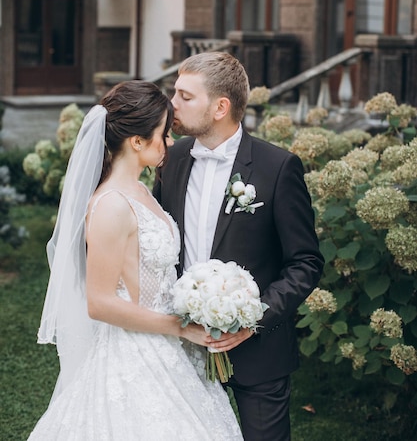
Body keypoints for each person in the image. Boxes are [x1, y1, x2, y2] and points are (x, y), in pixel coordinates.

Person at [28, 80, 243, 441]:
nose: (170, 142)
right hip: (134, 351)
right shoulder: (112, 205)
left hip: (170, 348)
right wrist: (178, 326)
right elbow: (99, 303)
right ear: (138, 141)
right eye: (163, 133)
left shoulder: (141, 190)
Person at [153, 52, 325, 441]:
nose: (172, 104)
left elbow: (306, 262)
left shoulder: (277, 167)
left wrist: (254, 317)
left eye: (184, 96)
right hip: (182, 343)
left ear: (221, 107)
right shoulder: (173, 157)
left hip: (258, 354)